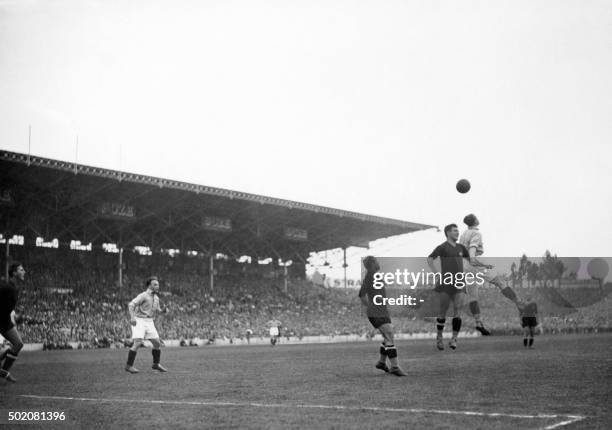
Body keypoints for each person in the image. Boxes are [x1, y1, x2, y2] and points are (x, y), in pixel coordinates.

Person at [460, 214, 522, 335]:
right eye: (476, 217)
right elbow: (472, 251)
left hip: (464, 265)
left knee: (473, 296)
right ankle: (519, 303)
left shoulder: (463, 234)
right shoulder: (476, 233)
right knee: (500, 282)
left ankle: (478, 323)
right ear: (475, 221)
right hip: (474, 262)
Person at [358, 256, 407, 376]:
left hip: (382, 311)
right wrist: (371, 306)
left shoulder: (375, 275)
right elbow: (361, 294)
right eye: (376, 261)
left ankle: (381, 362)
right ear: (372, 264)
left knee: (388, 336)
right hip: (376, 312)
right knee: (389, 334)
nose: (378, 263)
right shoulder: (370, 276)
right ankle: (395, 367)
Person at [427, 224, 468, 350]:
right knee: (443, 311)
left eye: (458, 231)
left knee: (458, 310)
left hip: (459, 282)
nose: (457, 233)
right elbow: (429, 259)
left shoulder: (461, 247)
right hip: (446, 282)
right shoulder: (442, 247)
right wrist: (436, 273)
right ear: (448, 233)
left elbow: (470, 260)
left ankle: (454, 339)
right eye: (455, 231)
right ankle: (439, 337)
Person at [125, 276, 168, 373]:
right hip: (139, 320)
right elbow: (131, 304)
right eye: (155, 284)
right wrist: (132, 317)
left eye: (158, 284)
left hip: (149, 322)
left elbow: (158, 311)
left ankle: (156, 364)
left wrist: (163, 311)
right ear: (149, 286)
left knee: (157, 343)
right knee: (138, 343)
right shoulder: (143, 295)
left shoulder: (156, 298)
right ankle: (129, 366)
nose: (158, 286)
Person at [0, 262, 26, 382]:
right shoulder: (5, 287)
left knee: (18, 344)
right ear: (14, 273)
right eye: (21, 270)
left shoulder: (15, 288)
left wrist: (17, 315)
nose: (24, 272)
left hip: (4, 321)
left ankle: (4, 371)